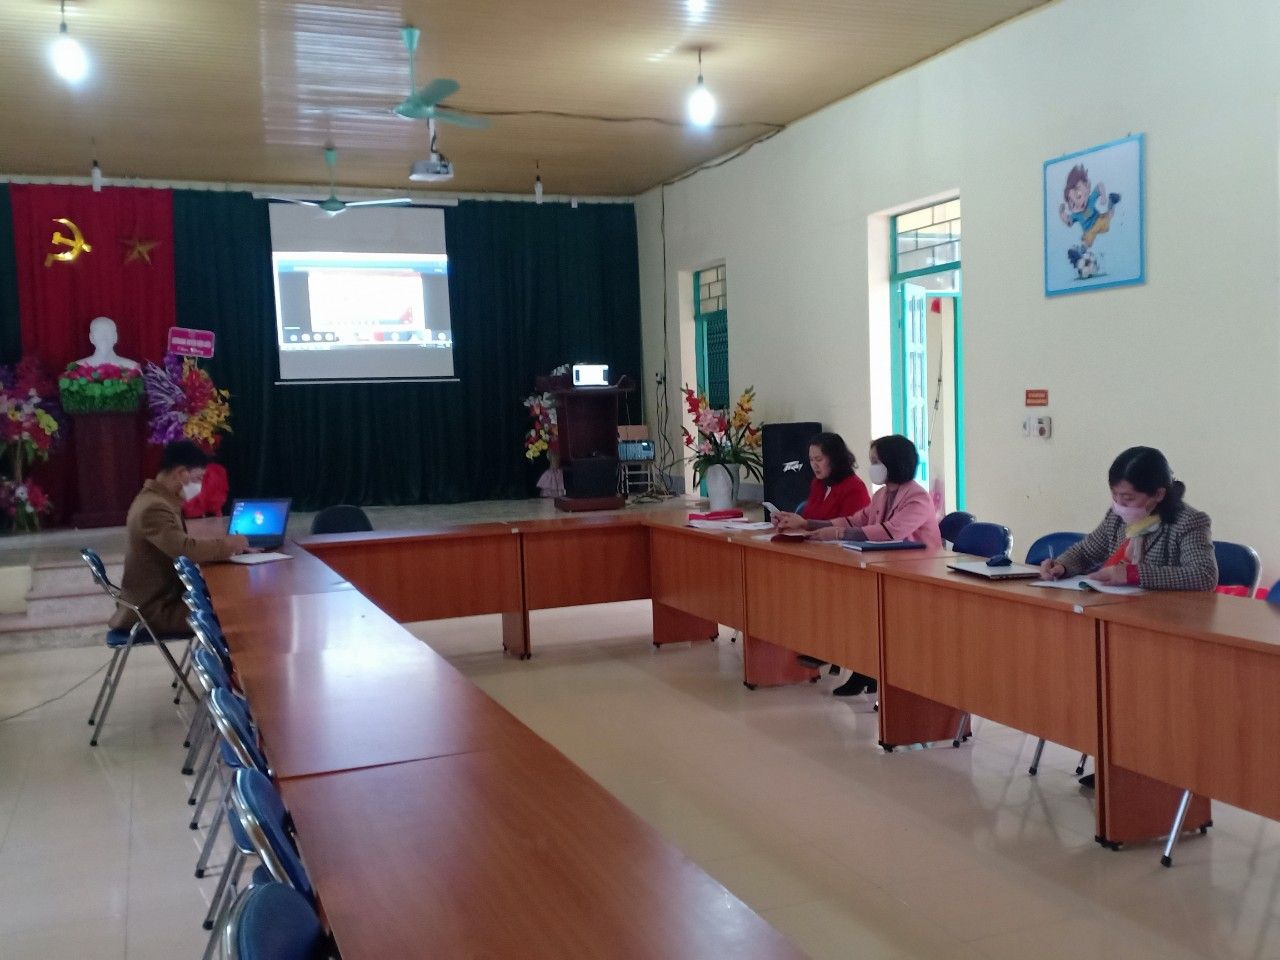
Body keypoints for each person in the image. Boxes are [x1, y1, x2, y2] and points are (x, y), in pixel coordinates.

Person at [776, 434, 942, 696]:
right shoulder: (882, 495)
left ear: (893, 462)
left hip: (918, 574)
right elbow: (854, 521)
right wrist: (808, 525)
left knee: (864, 605)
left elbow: (891, 531)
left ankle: (867, 671)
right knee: (856, 603)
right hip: (886, 566)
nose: (872, 466)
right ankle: (864, 668)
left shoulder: (918, 498)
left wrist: (838, 534)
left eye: (876, 461)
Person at [108, 441, 252, 638]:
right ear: (181, 473)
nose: (200, 485)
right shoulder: (153, 507)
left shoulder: (158, 500)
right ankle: (229, 659)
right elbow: (186, 550)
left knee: (230, 603)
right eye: (199, 478)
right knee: (237, 614)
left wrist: (229, 548)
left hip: (164, 599)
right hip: (154, 609)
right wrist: (231, 544)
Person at [1040, 447, 1216, 591]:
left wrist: (1133, 574)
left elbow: (1204, 575)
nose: (1119, 503)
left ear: (1158, 494)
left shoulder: (1188, 521)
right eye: (1114, 494)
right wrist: (1062, 566)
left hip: (1166, 613)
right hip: (1116, 607)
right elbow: (1086, 552)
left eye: (1128, 497)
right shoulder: (1116, 517)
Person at [769, 432, 870, 528]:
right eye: (811, 460)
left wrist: (804, 524)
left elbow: (850, 529)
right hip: (812, 538)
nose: (814, 465)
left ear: (835, 460)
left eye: (819, 459)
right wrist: (787, 520)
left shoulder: (855, 488)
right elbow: (807, 519)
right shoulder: (818, 483)